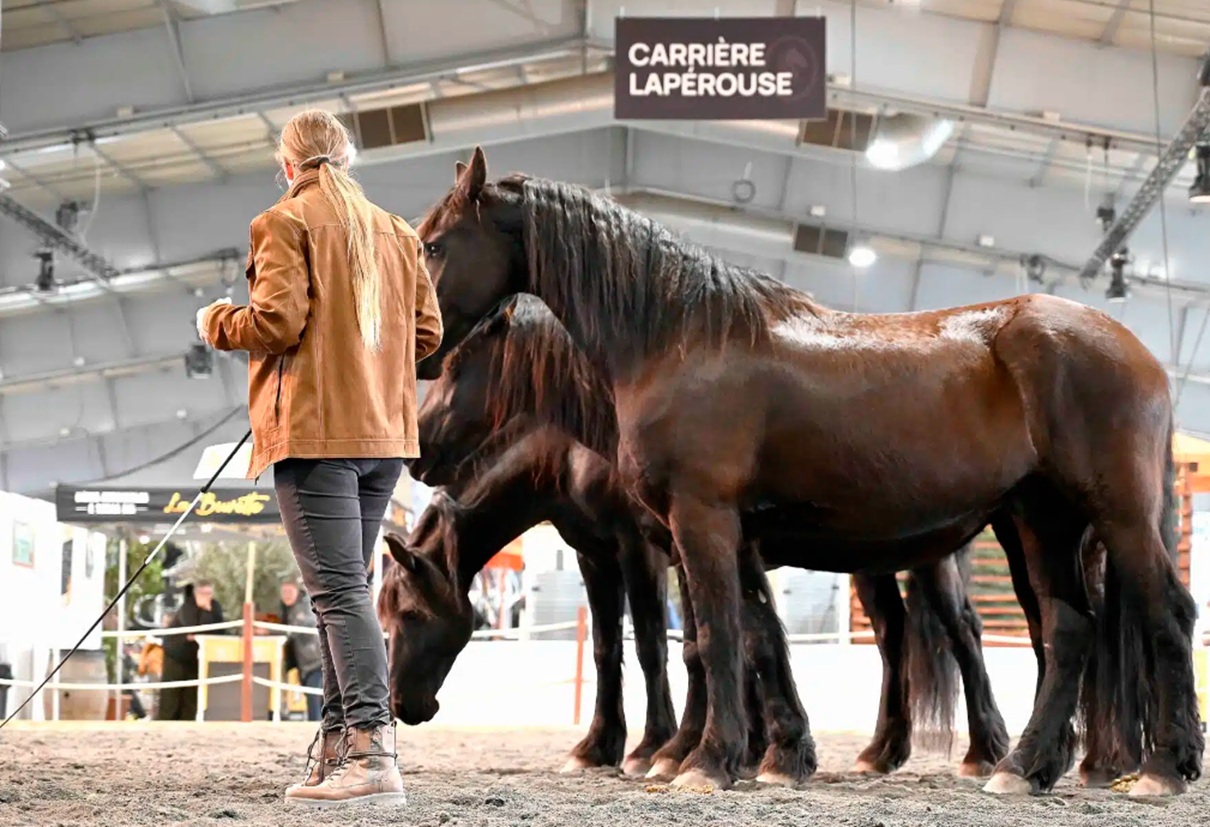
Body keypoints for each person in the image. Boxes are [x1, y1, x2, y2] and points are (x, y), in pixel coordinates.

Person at [197, 108, 442, 808]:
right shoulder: (397, 232)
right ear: (347, 158)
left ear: (287, 165)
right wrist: (369, 361)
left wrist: (215, 321)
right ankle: (339, 748)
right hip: (383, 440)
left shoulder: (282, 222)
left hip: (315, 437)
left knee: (338, 594)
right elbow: (427, 335)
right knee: (343, 593)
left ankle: (371, 751)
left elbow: (276, 322)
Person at [158, 580, 224, 721]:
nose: (206, 597)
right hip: (176, 655)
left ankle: (187, 724)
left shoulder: (215, 607)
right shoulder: (188, 606)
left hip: (195, 657)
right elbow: (191, 626)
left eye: (209, 593)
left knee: (191, 698)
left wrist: (206, 610)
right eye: (203, 593)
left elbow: (218, 629)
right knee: (171, 698)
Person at [280, 579, 323, 722]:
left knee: (314, 699)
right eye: (284, 592)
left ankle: (316, 725)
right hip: (305, 663)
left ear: (296, 591)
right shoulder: (289, 608)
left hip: (315, 661)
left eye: (289, 591)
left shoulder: (304, 607)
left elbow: (298, 627)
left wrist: (270, 631)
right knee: (313, 697)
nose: (286, 595)